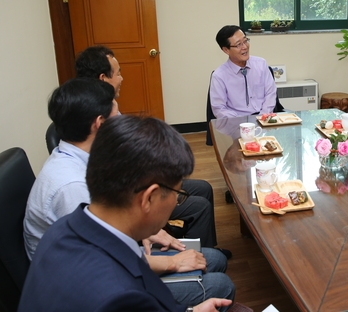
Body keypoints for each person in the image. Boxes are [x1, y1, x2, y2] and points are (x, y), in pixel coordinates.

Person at [23, 78, 234, 307]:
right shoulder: (70, 188)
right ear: (148, 198)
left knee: (213, 259)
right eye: (177, 194)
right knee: (221, 284)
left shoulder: (68, 224)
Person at [75, 45, 221, 251]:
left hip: (132, 180)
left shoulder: (102, 106)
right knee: (199, 205)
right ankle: (201, 257)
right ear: (102, 78)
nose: (122, 78)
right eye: (118, 73)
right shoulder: (99, 114)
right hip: (129, 192)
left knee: (203, 188)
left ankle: (203, 249)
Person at [210, 25, 277, 119]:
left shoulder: (261, 64)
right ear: (226, 50)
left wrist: (263, 116)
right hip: (237, 124)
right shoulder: (219, 76)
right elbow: (219, 109)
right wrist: (242, 122)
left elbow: (270, 93)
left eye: (245, 41)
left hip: (264, 118)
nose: (245, 47)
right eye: (238, 44)